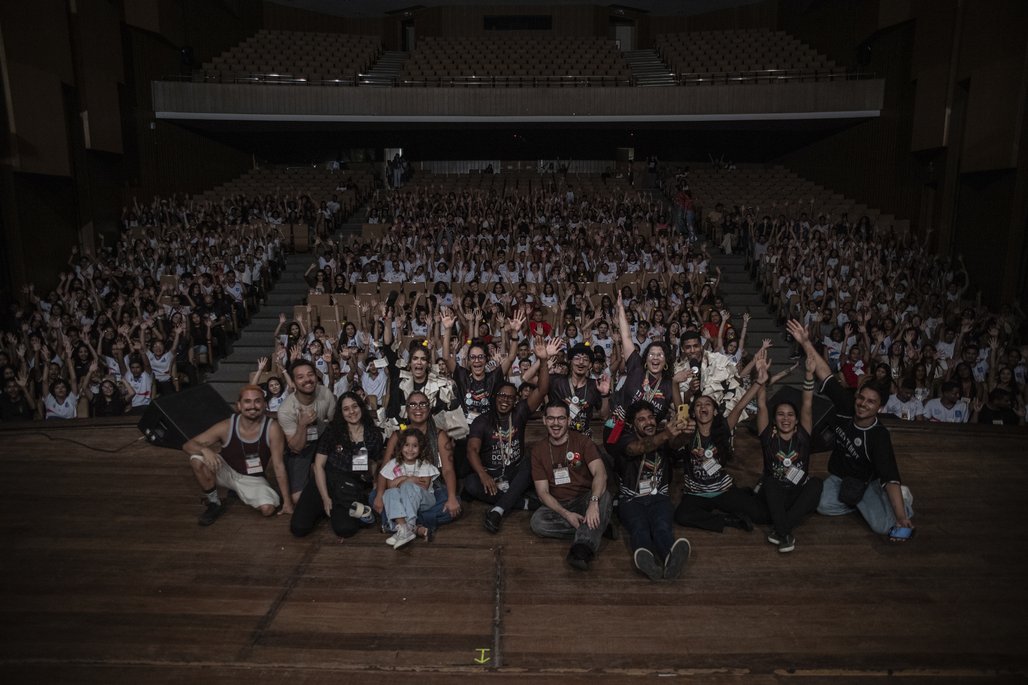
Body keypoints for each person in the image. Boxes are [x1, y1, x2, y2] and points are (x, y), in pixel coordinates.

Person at [785, 319, 915, 540]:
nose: (863, 404)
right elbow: (824, 372)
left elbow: (889, 477)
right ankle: (860, 503)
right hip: (839, 477)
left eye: (871, 402)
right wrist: (806, 342)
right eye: (861, 398)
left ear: (879, 407)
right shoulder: (847, 407)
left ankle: (902, 501)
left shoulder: (879, 436)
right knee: (823, 507)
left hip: (867, 483)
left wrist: (901, 517)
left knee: (882, 526)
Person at [466, 337, 559, 534]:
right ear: (494, 398)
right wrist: (483, 475)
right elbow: (472, 450)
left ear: (516, 400)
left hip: (515, 472)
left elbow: (542, 390)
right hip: (491, 473)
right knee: (470, 484)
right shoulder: (481, 420)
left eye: (510, 397)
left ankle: (498, 510)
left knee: (529, 463)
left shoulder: (520, 412)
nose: (505, 400)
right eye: (501, 396)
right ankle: (522, 503)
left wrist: (543, 361)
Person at [182, 385, 292, 526]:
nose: (252, 406)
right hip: (226, 470)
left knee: (268, 509)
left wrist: (287, 502)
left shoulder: (272, 428)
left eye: (257, 401)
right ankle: (214, 503)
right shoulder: (226, 426)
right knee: (197, 460)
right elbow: (187, 445)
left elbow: (278, 465)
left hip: (252, 478)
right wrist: (205, 450)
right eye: (247, 401)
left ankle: (238, 492)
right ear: (239, 406)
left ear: (265, 405)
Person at [606, 400, 692, 580]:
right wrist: (666, 435)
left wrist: (686, 433)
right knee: (640, 528)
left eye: (651, 417)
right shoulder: (624, 439)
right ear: (632, 424)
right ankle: (646, 559)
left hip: (659, 496)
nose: (649, 422)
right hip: (631, 500)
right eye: (642, 419)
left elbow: (676, 444)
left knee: (662, 527)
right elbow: (636, 448)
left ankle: (671, 557)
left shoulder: (664, 436)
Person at [673, 380, 768, 533]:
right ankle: (727, 520)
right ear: (693, 413)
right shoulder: (688, 431)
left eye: (708, 404)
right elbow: (679, 408)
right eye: (698, 405)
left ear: (715, 411)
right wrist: (674, 383)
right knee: (682, 516)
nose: (703, 407)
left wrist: (758, 382)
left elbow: (739, 407)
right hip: (696, 493)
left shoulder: (722, 429)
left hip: (722, 490)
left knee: (762, 515)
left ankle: (746, 494)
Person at [530, 402, 613, 571]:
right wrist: (566, 514)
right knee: (537, 522)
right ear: (544, 420)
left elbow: (600, 474)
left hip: (585, 499)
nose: (556, 423)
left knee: (604, 496)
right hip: (559, 505)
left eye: (561, 418)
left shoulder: (583, 442)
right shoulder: (538, 450)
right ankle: (597, 526)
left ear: (568, 420)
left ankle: (582, 549)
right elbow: (542, 493)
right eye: (551, 418)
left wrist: (593, 502)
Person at [290, 392, 384, 539]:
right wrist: (325, 498)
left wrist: (374, 485)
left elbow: (374, 463)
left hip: (349, 485)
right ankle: (324, 507)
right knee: (298, 528)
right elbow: (318, 466)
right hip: (326, 480)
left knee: (345, 530)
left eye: (355, 406)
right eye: (346, 409)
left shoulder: (374, 434)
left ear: (361, 407)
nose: (351, 412)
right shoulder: (333, 431)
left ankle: (338, 509)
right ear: (341, 412)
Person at [754, 353, 823, 553]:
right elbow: (760, 405)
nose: (786, 419)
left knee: (817, 484)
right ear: (774, 419)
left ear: (796, 419)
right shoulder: (768, 436)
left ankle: (780, 529)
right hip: (773, 494)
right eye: (781, 415)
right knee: (769, 481)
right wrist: (761, 375)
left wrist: (809, 374)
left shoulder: (803, 435)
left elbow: (808, 405)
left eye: (791, 415)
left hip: (796, 494)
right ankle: (785, 532)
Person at [374, 390, 462, 533]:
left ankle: (398, 523)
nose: (418, 408)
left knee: (452, 503)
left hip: (429, 490)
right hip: (399, 487)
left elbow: (447, 470)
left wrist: (451, 498)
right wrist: (379, 495)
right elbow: (385, 468)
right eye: (413, 405)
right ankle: (415, 524)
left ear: (429, 408)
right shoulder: (398, 435)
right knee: (376, 496)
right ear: (407, 409)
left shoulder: (439, 435)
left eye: (422, 404)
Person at [276, 359, 336, 503]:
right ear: (294, 383)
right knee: (297, 498)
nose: (307, 380)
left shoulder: (325, 393)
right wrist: (302, 425)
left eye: (310, 375)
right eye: (300, 377)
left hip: (323, 440)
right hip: (301, 446)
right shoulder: (286, 409)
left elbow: (334, 422)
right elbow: (296, 448)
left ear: (316, 376)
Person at [380, 428, 440, 549]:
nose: (410, 450)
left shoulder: (424, 464)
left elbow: (424, 485)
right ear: (401, 446)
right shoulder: (394, 464)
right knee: (389, 493)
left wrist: (402, 482)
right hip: (404, 498)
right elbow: (390, 485)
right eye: (407, 445)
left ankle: (410, 525)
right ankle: (403, 527)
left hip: (424, 500)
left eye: (415, 446)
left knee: (408, 487)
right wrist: (409, 479)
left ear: (421, 448)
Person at [548, 342, 611, 437]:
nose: (581, 362)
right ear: (570, 362)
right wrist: (544, 363)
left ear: (590, 365)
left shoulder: (595, 385)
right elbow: (527, 378)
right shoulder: (557, 382)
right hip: (560, 437)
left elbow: (604, 416)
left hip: (584, 439)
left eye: (585, 359)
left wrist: (605, 394)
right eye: (577, 358)